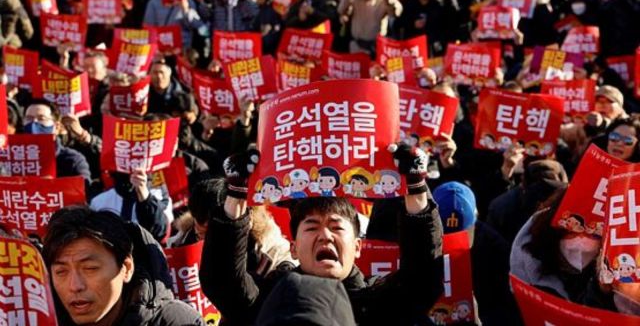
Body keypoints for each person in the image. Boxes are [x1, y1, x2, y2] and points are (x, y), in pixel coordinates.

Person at [199, 143, 444, 325]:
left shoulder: (374, 304)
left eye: (336, 227)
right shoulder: (271, 299)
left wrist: (416, 188)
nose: (325, 235)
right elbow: (223, 283)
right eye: (312, 227)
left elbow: (421, 283)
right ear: (293, 247)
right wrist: (236, 195)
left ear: (358, 246)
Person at [42, 207, 205, 325]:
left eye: (90, 268)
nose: (75, 286)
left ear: (126, 268)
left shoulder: (175, 322)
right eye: (61, 271)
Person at [432, 182, 522, 326]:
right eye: (445, 236)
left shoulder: (496, 250)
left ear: (476, 218)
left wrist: (477, 319)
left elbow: (507, 307)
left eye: (462, 235)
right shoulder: (416, 245)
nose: (453, 244)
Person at [510, 187, 602, 302]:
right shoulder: (531, 258)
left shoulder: (605, 276)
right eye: (572, 232)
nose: (582, 243)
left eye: (594, 235)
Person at [21, 99, 92, 186]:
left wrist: (54, 185)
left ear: (57, 127)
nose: (34, 123)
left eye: (41, 119)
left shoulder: (73, 160)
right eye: (29, 118)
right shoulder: (12, 159)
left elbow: (85, 191)